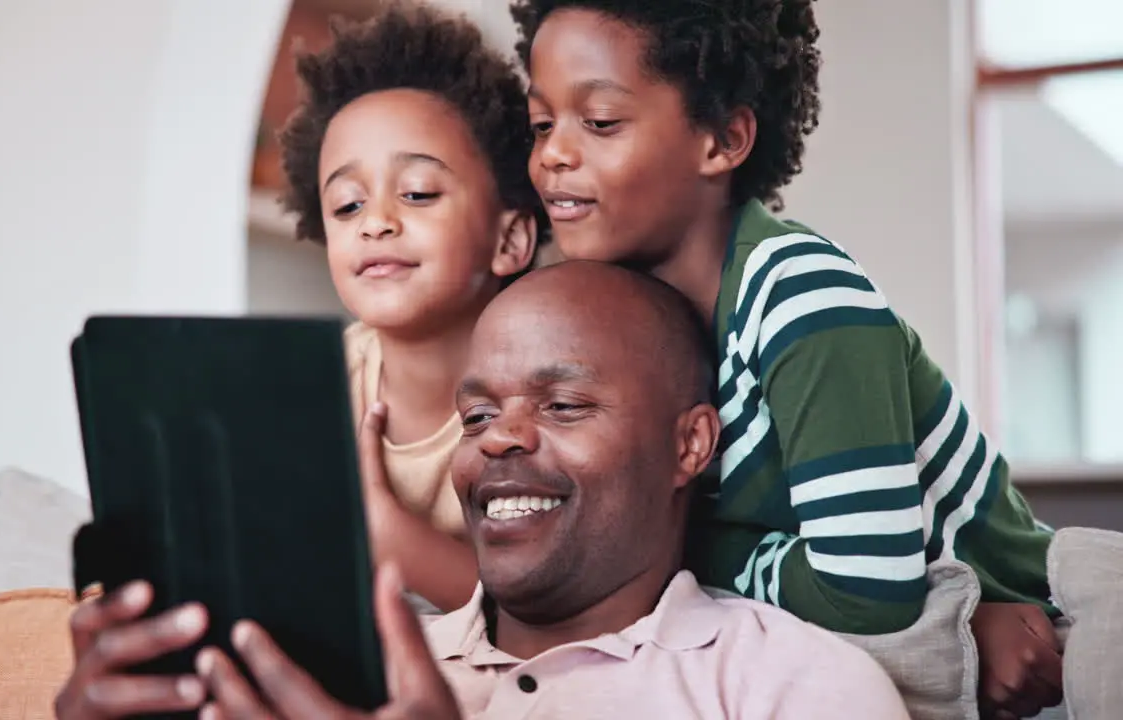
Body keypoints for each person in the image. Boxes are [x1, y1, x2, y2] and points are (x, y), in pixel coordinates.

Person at [509, 1, 1069, 716]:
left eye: (601, 122)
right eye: (541, 124)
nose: (553, 152)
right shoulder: (627, 321)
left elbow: (864, 591)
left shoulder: (802, 294)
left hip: (1039, 653)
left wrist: (678, 553)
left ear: (724, 138)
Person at [53, 260, 910, 720]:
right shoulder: (334, 670)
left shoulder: (789, 682)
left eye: (564, 403)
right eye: (475, 417)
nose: (498, 437)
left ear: (689, 444)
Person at [276, 2, 546, 611]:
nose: (376, 222)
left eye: (417, 193)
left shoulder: (546, 396)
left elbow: (537, 608)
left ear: (508, 239)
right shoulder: (320, 388)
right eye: (347, 205)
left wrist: (385, 530)